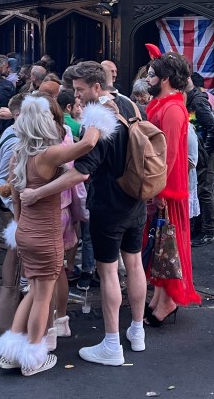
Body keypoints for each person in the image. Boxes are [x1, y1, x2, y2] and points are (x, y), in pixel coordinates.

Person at [20, 61, 148, 367]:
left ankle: (112, 343)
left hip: (108, 203)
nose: (76, 97)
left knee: (108, 272)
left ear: (97, 87)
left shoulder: (98, 119)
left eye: (80, 90)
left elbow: (80, 174)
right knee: (134, 263)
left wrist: (38, 192)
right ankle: (138, 332)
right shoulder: (129, 103)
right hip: (136, 196)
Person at [0, 96, 100, 376]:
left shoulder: (19, 154)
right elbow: (88, 144)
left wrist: (22, 223)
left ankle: (12, 352)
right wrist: (98, 115)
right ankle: (33, 355)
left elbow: (15, 200)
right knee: (43, 296)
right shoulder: (50, 154)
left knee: (33, 292)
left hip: (25, 232)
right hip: (46, 234)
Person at [144, 53, 201, 325]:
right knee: (160, 245)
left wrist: (159, 191)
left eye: (152, 75)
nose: (147, 79)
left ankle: (167, 301)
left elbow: (169, 156)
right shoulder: (164, 105)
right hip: (162, 188)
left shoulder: (172, 109)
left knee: (168, 245)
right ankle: (160, 297)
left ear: (165, 78)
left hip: (168, 190)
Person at [188, 74, 214, 247]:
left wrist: (204, 153)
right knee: (201, 188)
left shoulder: (199, 102)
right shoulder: (203, 99)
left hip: (209, 151)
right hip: (203, 150)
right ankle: (203, 227)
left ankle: (208, 231)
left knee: (204, 189)